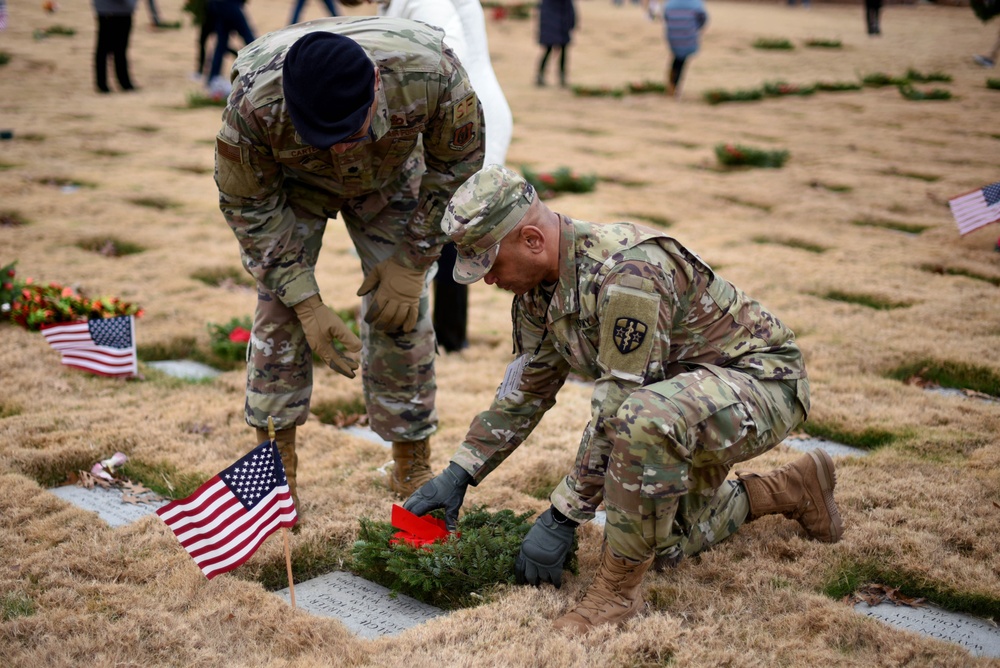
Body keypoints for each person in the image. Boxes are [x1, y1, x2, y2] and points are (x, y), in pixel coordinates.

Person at [404, 164, 843, 634]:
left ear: (532, 240)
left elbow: (618, 411)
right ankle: (792, 487)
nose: (487, 280)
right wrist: (459, 472)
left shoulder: (627, 273)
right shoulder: (536, 292)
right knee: (663, 541)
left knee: (643, 420)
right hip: (687, 394)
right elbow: (525, 391)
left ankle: (615, 594)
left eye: (491, 263)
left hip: (762, 382)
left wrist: (563, 515)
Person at [214, 17, 484, 510]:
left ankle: (411, 462)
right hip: (295, 181)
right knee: (279, 312)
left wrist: (412, 261)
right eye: (322, 132)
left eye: (347, 129)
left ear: (377, 85)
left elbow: (458, 169)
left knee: (401, 311)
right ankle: (274, 477)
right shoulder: (254, 102)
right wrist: (305, 299)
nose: (339, 146)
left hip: (390, 174)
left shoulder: (431, 75)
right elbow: (247, 203)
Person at [345, 0, 513, 352]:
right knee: (446, 223)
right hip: (444, 116)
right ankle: (442, 333)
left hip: (467, 116)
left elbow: (447, 52)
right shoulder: (391, 3)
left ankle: (450, 337)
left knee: (453, 225)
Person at [655, 0, 707, 98]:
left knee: (677, 59)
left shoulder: (670, 3)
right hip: (688, 36)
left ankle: (672, 85)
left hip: (672, 36)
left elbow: (665, 16)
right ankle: (673, 86)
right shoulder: (696, 3)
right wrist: (695, 28)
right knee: (681, 60)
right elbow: (703, 18)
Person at [205, 0, 255, 98]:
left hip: (218, 5)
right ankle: (264, 70)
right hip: (229, 4)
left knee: (221, 44)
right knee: (251, 42)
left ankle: (213, 79)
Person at [92, 0, 138, 93]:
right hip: (109, 11)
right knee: (104, 48)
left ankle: (124, 82)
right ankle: (102, 84)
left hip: (123, 11)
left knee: (121, 49)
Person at [536, 0, 575, 87]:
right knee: (549, 50)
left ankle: (560, 77)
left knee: (560, 52)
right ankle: (542, 76)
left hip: (561, 26)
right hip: (557, 26)